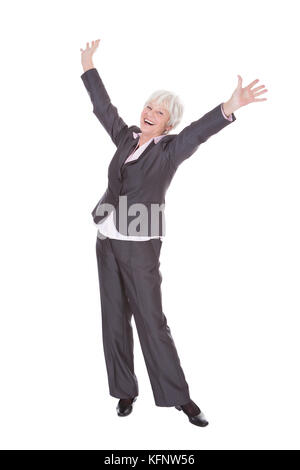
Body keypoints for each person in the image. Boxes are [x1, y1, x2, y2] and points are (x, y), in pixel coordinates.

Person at [80, 39, 268, 427]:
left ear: (169, 122)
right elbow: (104, 109)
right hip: (107, 240)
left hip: (139, 247)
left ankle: (179, 398)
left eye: (159, 111)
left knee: (151, 321)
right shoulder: (127, 137)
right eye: (149, 106)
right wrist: (88, 66)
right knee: (113, 318)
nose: (150, 113)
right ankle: (125, 391)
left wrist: (229, 108)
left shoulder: (170, 150)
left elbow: (199, 133)